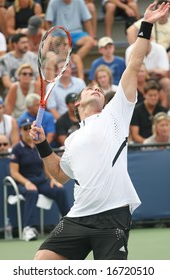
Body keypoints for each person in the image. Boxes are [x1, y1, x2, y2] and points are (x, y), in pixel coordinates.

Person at [29, 2, 170, 260]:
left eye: (99, 89)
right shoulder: (71, 138)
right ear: (77, 104)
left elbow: (134, 64)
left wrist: (146, 23)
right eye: (89, 88)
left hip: (112, 215)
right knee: (42, 264)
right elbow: (60, 175)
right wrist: (42, 146)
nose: (95, 88)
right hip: (78, 216)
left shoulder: (115, 114)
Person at [10, 118, 71, 241]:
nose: (28, 131)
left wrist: (53, 179)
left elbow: (46, 167)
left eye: (29, 128)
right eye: (25, 129)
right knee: (32, 192)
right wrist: (27, 183)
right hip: (24, 183)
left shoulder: (40, 145)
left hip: (40, 181)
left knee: (60, 190)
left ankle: (69, 224)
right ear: (21, 131)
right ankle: (29, 228)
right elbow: (14, 173)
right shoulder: (17, 148)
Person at [125, 39, 170, 108]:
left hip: (155, 113)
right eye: (138, 71)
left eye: (142, 71)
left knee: (166, 82)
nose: (140, 74)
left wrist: (162, 112)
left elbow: (163, 99)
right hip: (136, 113)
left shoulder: (152, 83)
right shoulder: (130, 85)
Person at [130, 79, 168, 144]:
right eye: (150, 95)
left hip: (161, 145)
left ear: (158, 95)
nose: (153, 98)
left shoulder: (163, 110)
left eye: (155, 95)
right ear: (145, 95)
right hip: (141, 146)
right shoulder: (136, 111)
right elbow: (135, 135)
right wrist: (149, 144)